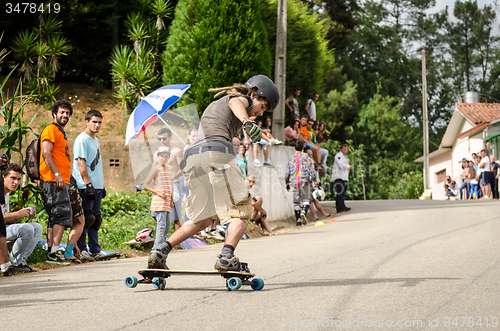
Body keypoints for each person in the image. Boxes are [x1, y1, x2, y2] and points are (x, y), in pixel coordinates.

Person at [147, 74, 279, 272]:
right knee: (241, 211)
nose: (261, 113)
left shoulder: (218, 107)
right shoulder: (240, 100)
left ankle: (160, 251)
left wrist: (247, 125)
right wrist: (246, 121)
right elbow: (237, 102)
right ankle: (226, 256)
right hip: (216, 155)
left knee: (203, 219)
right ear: (254, 94)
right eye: (263, 107)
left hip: (193, 160)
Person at [40, 99, 75, 264]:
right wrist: (57, 174)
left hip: (58, 180)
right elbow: (46, 153)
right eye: (62, 112)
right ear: (55, 113)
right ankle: (53, 253)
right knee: (61, 216)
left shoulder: (59, 131)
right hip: (53, 180)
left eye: (67, 113)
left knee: (55, 216)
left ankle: (51, 253)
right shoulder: (51, 129)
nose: (65, 115)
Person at [72, 110, 107, 261]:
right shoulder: (82, 139)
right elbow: (81, 163)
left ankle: (94, 249)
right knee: (86, 218)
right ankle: (82, 249)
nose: (97, 125)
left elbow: (96, 165)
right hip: (85, 185)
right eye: (94, 122)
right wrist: (88, 184)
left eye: (99, 122)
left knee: (96, 219)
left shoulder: (95, 140)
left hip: (96, 185)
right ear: (86, 121)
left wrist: (101, 186)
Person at [1, 163, 41, 273]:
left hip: (3, 230)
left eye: (18, 179)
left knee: (37, 227)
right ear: (3, 177)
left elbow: (5, 219)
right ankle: (15, 263)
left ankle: (20, 262)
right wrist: (17, 214)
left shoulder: (7, 194)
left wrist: (24, 213)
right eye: (12, 178)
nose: (16, 182)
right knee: (27, 229)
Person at [143, 146, 173, 249]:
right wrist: (158, 192)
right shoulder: (156, 169)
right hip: (159, 202)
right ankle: (157, 249)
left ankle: (157, 246)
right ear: (158, 157)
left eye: (166, 156)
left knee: (167, 227)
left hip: (167, 202)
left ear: (169, 157)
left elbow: (170, 185)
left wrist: (171, 200)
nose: (163, 158)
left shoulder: (169, 170)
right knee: (161, 226)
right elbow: (145, 184)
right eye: (161, 156)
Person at [157, 128, 185, 231]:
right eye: (159, 139)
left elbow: (183, 167)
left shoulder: (176, 151)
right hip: (161, 186)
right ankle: (162, 239)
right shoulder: (158, 152)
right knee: (157, 213)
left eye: (164, 138)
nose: (162, 141)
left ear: (170, 138)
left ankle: (179, 241)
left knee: (176, 215)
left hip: (174, 184)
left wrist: (173, 177)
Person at [285, 140, 316, 226]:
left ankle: (298, 220)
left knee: (296, 201)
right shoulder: (307, 157)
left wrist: (287, 182)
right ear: (303, 148)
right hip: (305, 181)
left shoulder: (290, 158)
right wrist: (314, 180)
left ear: (294, 148)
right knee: (306, 199)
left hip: (294, 181)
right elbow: (312, 170)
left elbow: (287, 172)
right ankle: (303, 212)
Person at [331, 143, 353, 213]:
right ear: (340, 149)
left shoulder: (345, 157)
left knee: (341, 192)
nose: (345, 150)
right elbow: (341, 165)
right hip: (339, 176)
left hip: (343, 177)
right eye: (344, 149)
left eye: (346, 149)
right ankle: (341, 206)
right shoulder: (338, 156)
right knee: (340, 192)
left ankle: (340, 206)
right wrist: (349, 167)